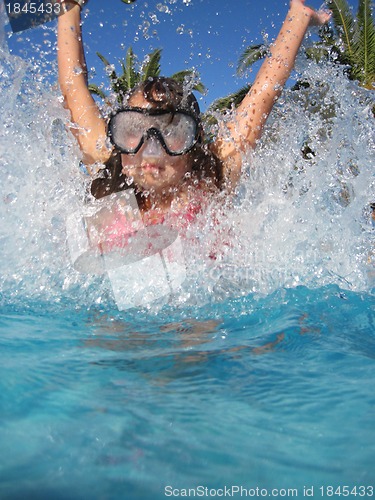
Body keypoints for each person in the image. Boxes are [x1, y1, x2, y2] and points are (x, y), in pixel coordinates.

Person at [57, 0, 331, 224]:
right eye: (132, 130)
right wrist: (70, 8)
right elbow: (72, 89)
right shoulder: (110, 168)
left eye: (172, 132)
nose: (151, 150)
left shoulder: (215, 175)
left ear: (194, 139)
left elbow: (264, 93)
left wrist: (298, 15)